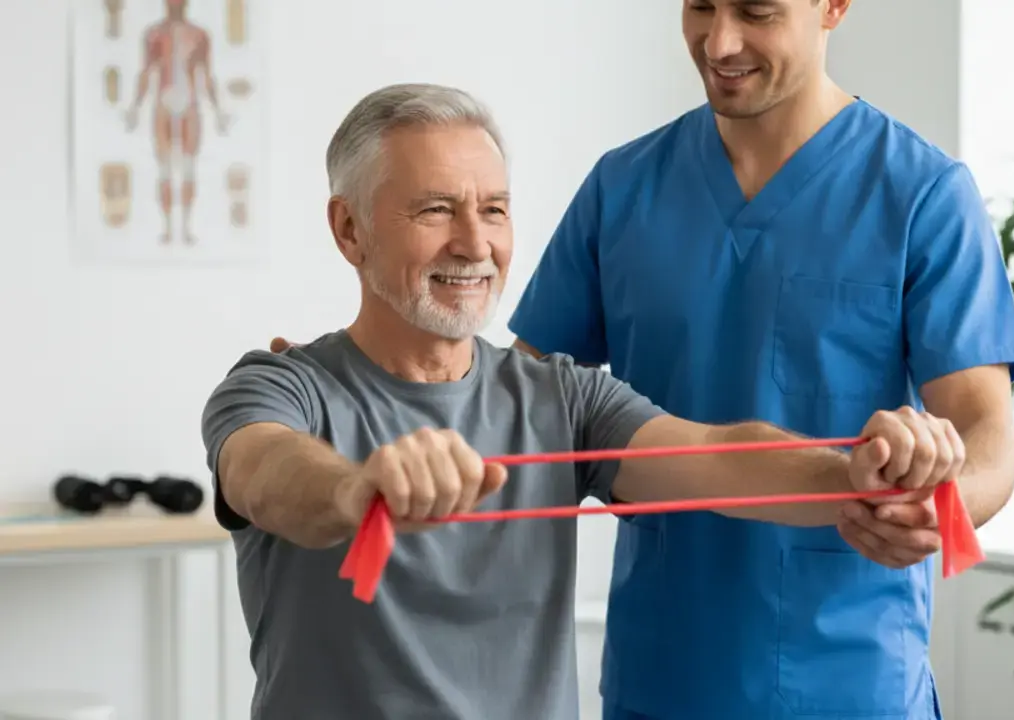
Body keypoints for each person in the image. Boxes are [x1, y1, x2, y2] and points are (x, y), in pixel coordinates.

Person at [204, 83, 967, 720]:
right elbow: (266, 472)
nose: (474, 243)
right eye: (435, 210)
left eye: (494, 210)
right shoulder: (280, 387)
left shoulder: (560, 397)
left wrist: (857, 477)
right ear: (350, 229)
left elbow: (715, 457)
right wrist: (355, 486)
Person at [507, 1, 1014, 718]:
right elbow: (510, 407)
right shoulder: (621, 188)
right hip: (661, 676)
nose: (719, 42)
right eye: (700, 7)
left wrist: (941, 505)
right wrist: (342, 391)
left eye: (756, 11)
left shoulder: (923, 196)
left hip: (848, 683)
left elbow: (986, 432)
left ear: (834, 7)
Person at [124, 0, 231, 245]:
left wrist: (218, 112)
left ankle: (185, 227)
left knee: (188, 167)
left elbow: (206, 75)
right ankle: (167, 228)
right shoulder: (154, 34)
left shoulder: (198, 35)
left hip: (189, 103)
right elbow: (146, 72)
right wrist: (134, 108)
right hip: (164, 101)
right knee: (164, 168)